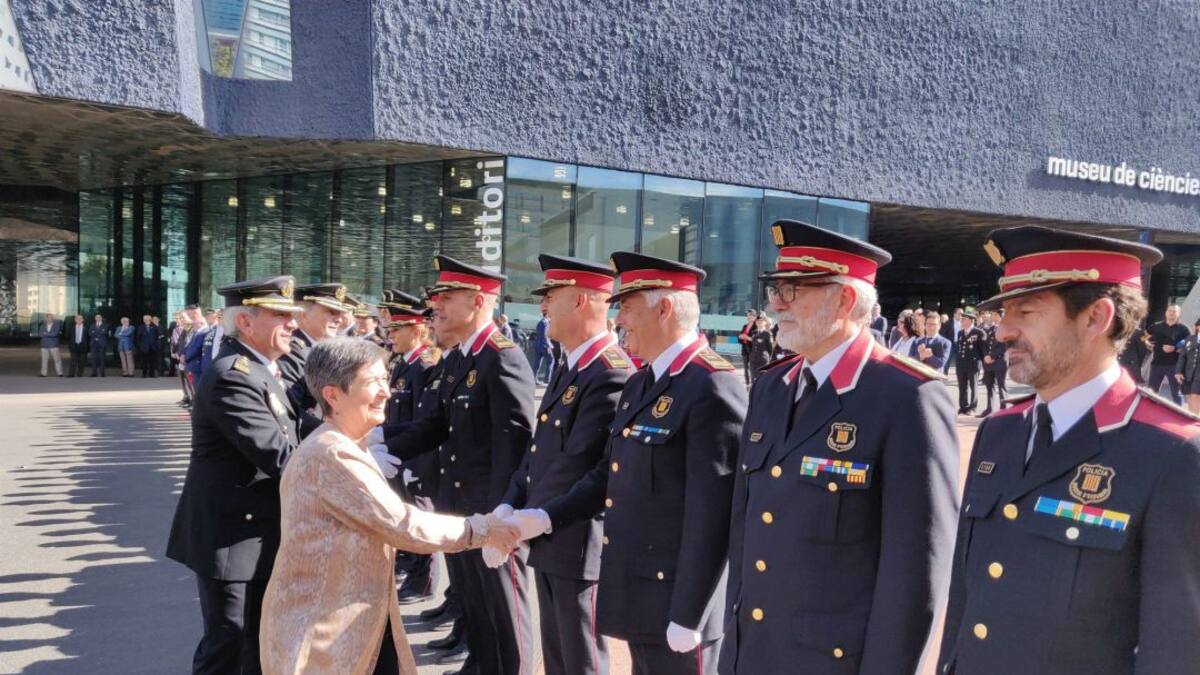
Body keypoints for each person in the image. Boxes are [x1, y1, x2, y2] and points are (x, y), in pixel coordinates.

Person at [939, 225, 1200, 674]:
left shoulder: (1173, 453)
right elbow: (967, 605)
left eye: (1025, 311)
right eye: (1004, 313)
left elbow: (1177, 650)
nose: (1002, 331)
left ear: (1096, 318)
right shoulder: (999, 432)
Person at [719, 220, 958, 674]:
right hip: (755, 651)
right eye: (775, 290)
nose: (777, 303)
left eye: (793, 290)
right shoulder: (772, 386)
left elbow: (915, 571)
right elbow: (746, 530)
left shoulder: (906, 396)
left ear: (845, 299)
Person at [506, 252, 746, 675]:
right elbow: (608, 473)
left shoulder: (713, 385)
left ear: (666, 309)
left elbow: (714, 511)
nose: (619, 320)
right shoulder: (642, 383)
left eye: (629, 308)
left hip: (676, 601)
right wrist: (545, 517)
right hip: (640, 591)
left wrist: (691, 611)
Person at [258, 337, 520, 675]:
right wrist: (482, 530)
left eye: (385, 379)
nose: (386, 392)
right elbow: (401, 524)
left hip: (351, 624)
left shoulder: (341, 445)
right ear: (332, 395)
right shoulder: (332, 454)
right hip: (325, 635)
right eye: (372, 382)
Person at [372, 256, 536, 675]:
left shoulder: (502, 358)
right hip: (460, 511)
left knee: (505, 614)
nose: (436, 306)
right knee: (475, 603)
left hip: (490, 512)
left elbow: (515, 448)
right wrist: (377, 440)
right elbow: (435, 425)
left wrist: (504, 516)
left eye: (445, 297)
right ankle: (480, 666)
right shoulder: (457, 359)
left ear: (478, 301)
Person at [485, 255, 633, 675]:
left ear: (582, 301)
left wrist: (530, 519)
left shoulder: (610, 372)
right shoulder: (574, 366)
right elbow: (538, 453)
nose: (543, 308)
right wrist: (509, 506)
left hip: (575, 539)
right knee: (557, 660)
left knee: (581, 661)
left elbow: (580, 464)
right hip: (548, 536)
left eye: (551, 297)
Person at [165, 276, 303, 675]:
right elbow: (279, 456)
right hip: (232, 541)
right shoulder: (234, 375)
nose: (292, 324)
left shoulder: (259, 369)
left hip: (253, 532)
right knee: (228, 644)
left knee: (253, 645)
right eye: (281, 316)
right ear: (246, 322)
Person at [377, 293, 441, 606]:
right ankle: (412, 568)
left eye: (396, 331)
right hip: (398, 454)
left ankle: (424, 580)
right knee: (406, 515)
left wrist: (418, 463)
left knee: (421, 515)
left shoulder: (426, 366)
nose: (390, 337)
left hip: (415, 457)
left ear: (416, 330)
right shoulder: (404, 366)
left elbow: (426, 421)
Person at [279, 283, 353, 439]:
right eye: (332, 312)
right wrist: (339, 435)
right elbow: (290, 410)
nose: (339, 319)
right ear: (304, 315)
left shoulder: (319, 350)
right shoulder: (292, 352)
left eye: (340, 312)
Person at [1145, 304, 1189, 404]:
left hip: (1175, 365)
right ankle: (1150, 415)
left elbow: (1189, 345)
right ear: (1166, 313)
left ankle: (1179, 416)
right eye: (1170, 311)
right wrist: (1146, 342)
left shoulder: (1183, 329)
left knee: (1176, 393)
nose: (1172, 313)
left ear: (1179, 314)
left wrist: (1175, 348)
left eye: (1174, 311)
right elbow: (1144, 335)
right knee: (1152, 392)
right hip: (1157, 363)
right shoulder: (1157, 326)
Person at [955, 308, 987, 415]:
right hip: (961, 364)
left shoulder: (979, 332)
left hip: (973, 364)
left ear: (970, 320)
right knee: (962, 386)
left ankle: (972, 407)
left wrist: (984, 366)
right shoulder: (960, 333)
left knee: (973, 386)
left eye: (963, 320)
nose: (961, 322)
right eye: (961, 320)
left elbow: (983, 350)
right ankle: (963, 406)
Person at [978, 309, 1008, 416]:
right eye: (993, 314)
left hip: (1000, 361)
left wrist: (993, 356)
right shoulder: (990, 328)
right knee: (989, 385)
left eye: (995, 314)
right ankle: (989, 408)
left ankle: (1003, 409)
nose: (993, 316)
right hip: (989, 362)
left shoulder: (1006, 329)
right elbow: (985, 344)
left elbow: (1006, 346)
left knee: (1001, 386)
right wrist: (986, 355)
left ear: (1001, 316)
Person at [1176, 318, 1200, 414]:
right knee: (1189, 396)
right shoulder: (1190, 339)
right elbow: (1182, 357)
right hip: (1188, 375)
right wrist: (1178, 372)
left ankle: (1195, 420)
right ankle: (1192, 418)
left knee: (1195, 396)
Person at [172, 313, 196, 406]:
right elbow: (180, 343)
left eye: (183, 318)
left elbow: (189, 344)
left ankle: (192, 398)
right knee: (183, 378)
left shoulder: (193, 329)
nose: (181, 320)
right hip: (181, 357)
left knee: (190, 379)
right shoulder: (185, 329)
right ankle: (187, 396)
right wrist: (178, 353)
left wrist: (184, 355)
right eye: (181, 318)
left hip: (188, 358)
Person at [746, 315, 775, 381]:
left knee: (763, 378)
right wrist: (751, 355)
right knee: (753, 378)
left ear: (765, 323)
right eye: (758, 321)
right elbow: (749, 345)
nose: (759, 323)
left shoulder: (767, 334)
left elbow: (770, 348)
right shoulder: (753, 333)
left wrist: (768, 357)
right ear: (756, 323)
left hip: (763, 360)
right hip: (753, 359)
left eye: (761, 321)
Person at [532, 309, 554, 384]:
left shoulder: (540, 322)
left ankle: (534, 379)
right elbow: (545, 335)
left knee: (537, 363)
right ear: (547, 315)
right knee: (551, 360)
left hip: (538, 345)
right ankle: (547, 379)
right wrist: (548, 346)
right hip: (544, 346)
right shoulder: (545, 323)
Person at [38, 312, 63, 377]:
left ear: (53, 318)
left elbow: (55, 334)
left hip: (54, 345)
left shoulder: (56, 325)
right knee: (44, 360)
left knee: (57, 360)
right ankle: (43, 373)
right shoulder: (42, 325)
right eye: (48, 317)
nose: (50, 319)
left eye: (51, 317)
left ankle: (59, 373)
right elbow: (40, 334)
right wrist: (49, 334)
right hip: (44, 345)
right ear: (46, 318)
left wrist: (45, 334)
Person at [737, 309, 759, 386]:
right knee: (745, 367)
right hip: (745, 349)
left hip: (752, 349)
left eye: (750, 315)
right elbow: (739, 336)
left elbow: (756, 339)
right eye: (747, 315)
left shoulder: (757, 326)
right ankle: (747, 383)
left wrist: (747, 338)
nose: (748, 317)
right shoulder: (745, 326)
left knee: (753, 367)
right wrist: (740, 336)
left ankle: (754, 382)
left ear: (754, 317)